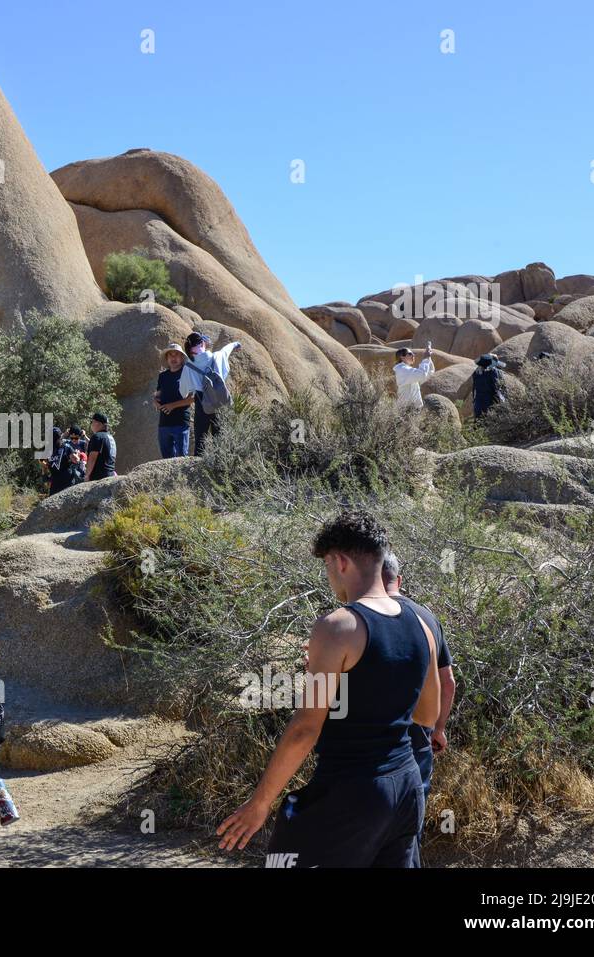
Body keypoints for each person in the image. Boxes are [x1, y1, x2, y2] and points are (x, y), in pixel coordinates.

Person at [217, 511, 440, 867]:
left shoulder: (338, 627)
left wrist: (259, 803)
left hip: (350, 790)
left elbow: (305, 729)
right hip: (406, 786)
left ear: (340, 561)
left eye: (326, 565)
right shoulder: (421, 625)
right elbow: (427, 715)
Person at [382, 553, 456, 810]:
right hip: (418, 739)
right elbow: (448, 682)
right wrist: (438, 729)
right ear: (399, 579)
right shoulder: (427, 618)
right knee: (411, 818)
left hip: (373, 743)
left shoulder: (359, 616)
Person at [182, 332, 241, 456]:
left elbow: (183, 391)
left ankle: (198, 471)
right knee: (220, 439)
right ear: (203, 343)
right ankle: (221, 469)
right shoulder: (218, 356)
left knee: (200, 441)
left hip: (201, 402)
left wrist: (189, 393)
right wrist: (235, 344)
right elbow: (226, 350)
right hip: (221, 399)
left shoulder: (188, 366)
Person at [155, 344, 196, 458]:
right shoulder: (163, 376)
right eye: (170, 355)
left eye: (176, 355)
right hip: (164, 423)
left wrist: (172, 406)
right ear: (167, 359)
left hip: (181, 422)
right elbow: (158, 394)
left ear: (182, 357)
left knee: (182, 458)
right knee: (166, 459)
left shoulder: (187, 373)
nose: (173, 358)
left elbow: (193, 398)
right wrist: (155, 401)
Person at [393, 343, 434, 411]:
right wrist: (425, 358)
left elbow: (429, 373)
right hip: (406, 410)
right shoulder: (402, 369)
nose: (413, 355)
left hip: (412, 409)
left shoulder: (408, 370)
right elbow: (422, 374)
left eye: (413, 354)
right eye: (410, 354)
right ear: (402, 357)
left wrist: (428, 358)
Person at [45, 426, 83, 496]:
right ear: (60, 436)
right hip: (67, 480)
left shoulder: (47, 450)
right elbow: (76, 460)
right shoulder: (66, 447)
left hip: (54, 482)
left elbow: (46, 464)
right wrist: (77, 454)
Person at [470, 353, 507, 418]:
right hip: (489, 403)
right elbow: (497, 387)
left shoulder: (476, 373)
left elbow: (474, 390)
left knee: (479, 423)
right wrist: (503, 399)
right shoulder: (493, 371)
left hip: (478, 404)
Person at [84, 412, 117, 481]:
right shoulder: (110, 437)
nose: (91, 425)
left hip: (98, 478)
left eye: (92, 422)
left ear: (98, 423)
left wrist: (87, 476)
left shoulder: (97, 436)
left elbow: (92, 458)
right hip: (110, 476)